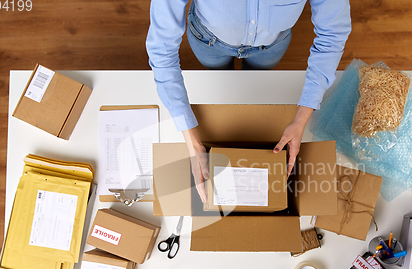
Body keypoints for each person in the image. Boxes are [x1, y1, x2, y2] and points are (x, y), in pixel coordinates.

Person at [146, 0, 351, 203]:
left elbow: (332, 35)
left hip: (271, 45)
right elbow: (161, 47)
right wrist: (191, 140)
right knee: (218, 76)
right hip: (209, 40)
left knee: (257, 78)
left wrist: (301, 119)